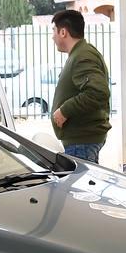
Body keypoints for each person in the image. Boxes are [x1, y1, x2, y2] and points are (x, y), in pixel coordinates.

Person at [48, 10, 111, 162]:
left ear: (63, 32)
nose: (52, 37)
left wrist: (64, 110)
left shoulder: (83, 56)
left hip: (82, 142)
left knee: (79, 185)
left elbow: (98, 93)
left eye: (54, 31)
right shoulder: (81, 53)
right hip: (81, 141)